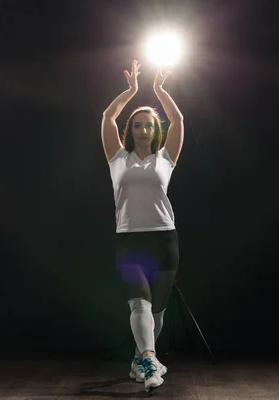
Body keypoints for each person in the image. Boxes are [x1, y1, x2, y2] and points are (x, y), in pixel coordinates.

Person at [101, 59, 184, 393]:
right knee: (140, 303)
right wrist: (132, 91)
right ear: (130, 130)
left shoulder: (165, 159)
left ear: (156, 131)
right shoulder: (118, 159)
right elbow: (107, 117)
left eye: (149, 125)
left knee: (158, 309)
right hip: (129, 241)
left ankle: (139, 359)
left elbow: (178, 119)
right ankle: (150, 359)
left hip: (165, 240)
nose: (144, 130)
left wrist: (160, 91)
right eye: (138, 125)